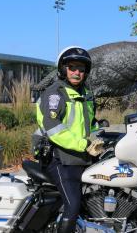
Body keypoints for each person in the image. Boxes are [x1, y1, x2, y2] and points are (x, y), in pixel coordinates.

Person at [35, 46, 104, 232]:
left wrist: (101, 138)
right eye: (72, 67)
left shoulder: (85, 94)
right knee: (73, 206)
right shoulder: (55, 94)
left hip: (79, 157)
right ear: (63, 69)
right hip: (58, 158)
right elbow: (54, 128)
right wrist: (85, 144)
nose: (77, 72)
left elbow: (91, 124)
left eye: (81, 69)